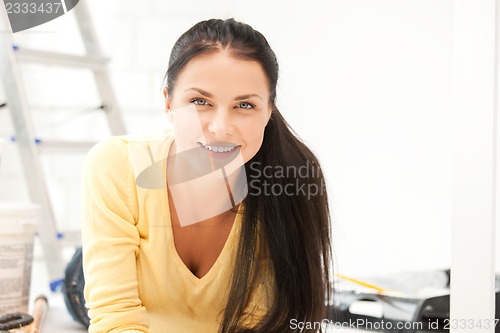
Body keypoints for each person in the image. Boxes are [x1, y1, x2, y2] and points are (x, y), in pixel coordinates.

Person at [82, 18, 332, 333]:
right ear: (169, 103)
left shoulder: (289, 184)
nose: (220, 128)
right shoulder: (117, 164)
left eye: (244, 105)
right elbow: (114, 319)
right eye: (200, 101)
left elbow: (262, 324)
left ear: (269, 111)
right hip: (101, 283)